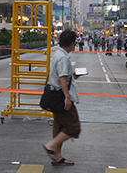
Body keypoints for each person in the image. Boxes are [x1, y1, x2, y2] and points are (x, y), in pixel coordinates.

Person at [42, 30, 81, 166]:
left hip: (54, 96)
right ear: (72, 43)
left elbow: (62, 74)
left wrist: (73, 75)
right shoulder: (63, 57)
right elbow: (62, 78)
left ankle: (57, 157)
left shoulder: (58, 54)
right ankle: (51, 146)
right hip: (60, 97)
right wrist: (67, 97)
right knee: (73, 127)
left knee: (59, 126)